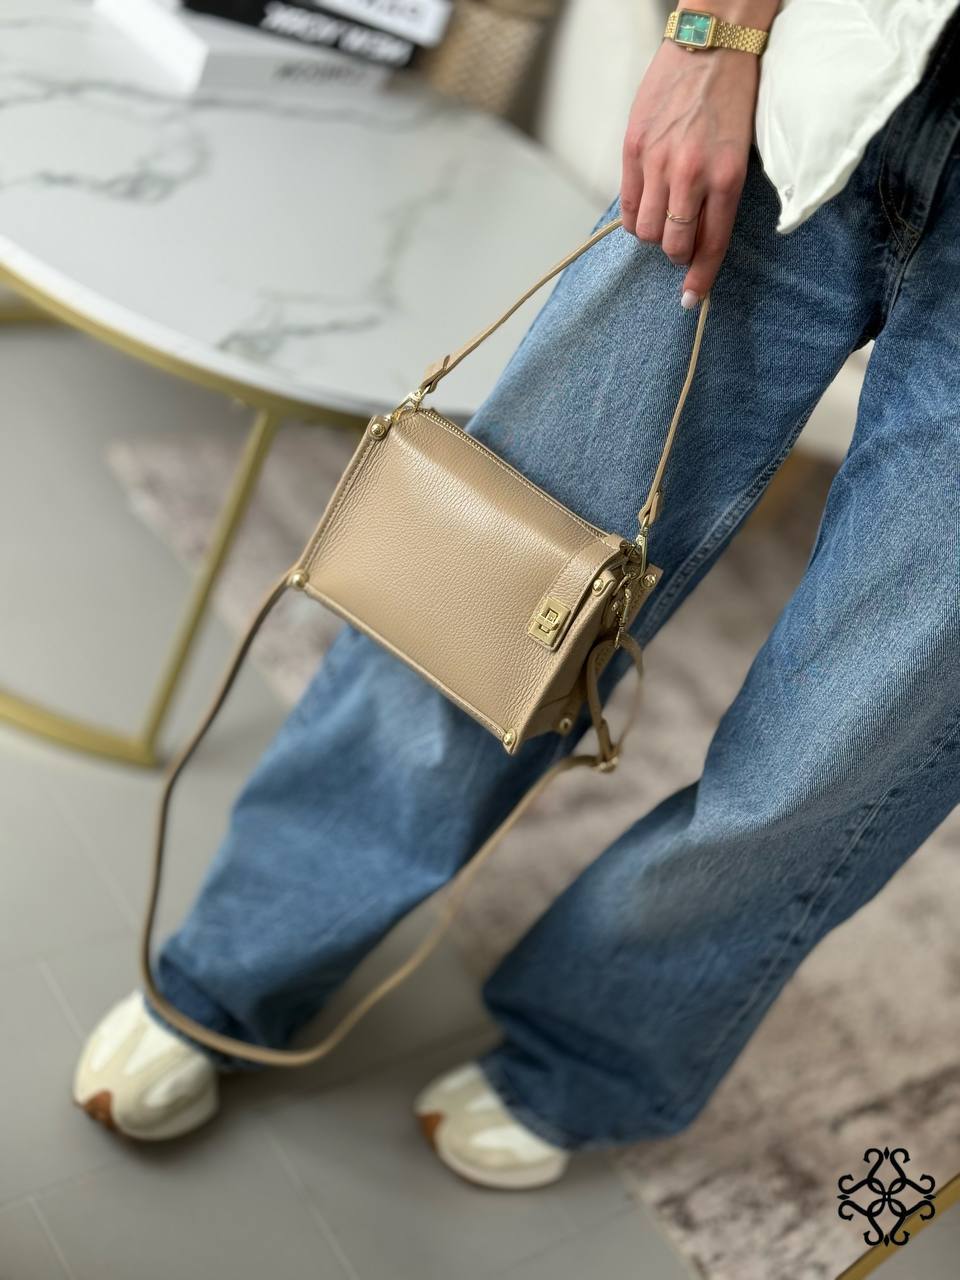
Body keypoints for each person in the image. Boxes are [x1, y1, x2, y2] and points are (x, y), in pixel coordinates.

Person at [74, 0, 960, 1190]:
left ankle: (585, 1053)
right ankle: (234, 965)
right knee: (489, 577)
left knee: (851, 742)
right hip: (833, 48)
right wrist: (710, 37)